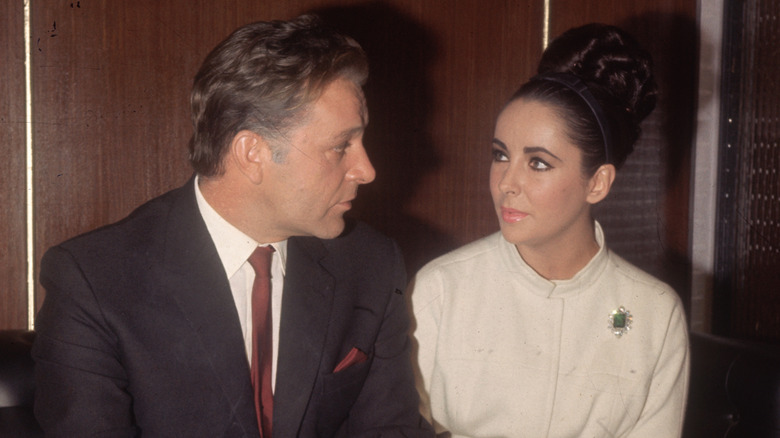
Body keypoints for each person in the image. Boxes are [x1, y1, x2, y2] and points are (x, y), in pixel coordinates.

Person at [33, 15, 433, 437]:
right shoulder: (94, 281)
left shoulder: (370, 264)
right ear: (251, 152)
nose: (367, 170)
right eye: (340, 146)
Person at [410, 23, 689, 437]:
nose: (507, 182)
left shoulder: (654, 312)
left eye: (538, 162)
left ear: (597, 182)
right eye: (500, 155)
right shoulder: (441, 289)